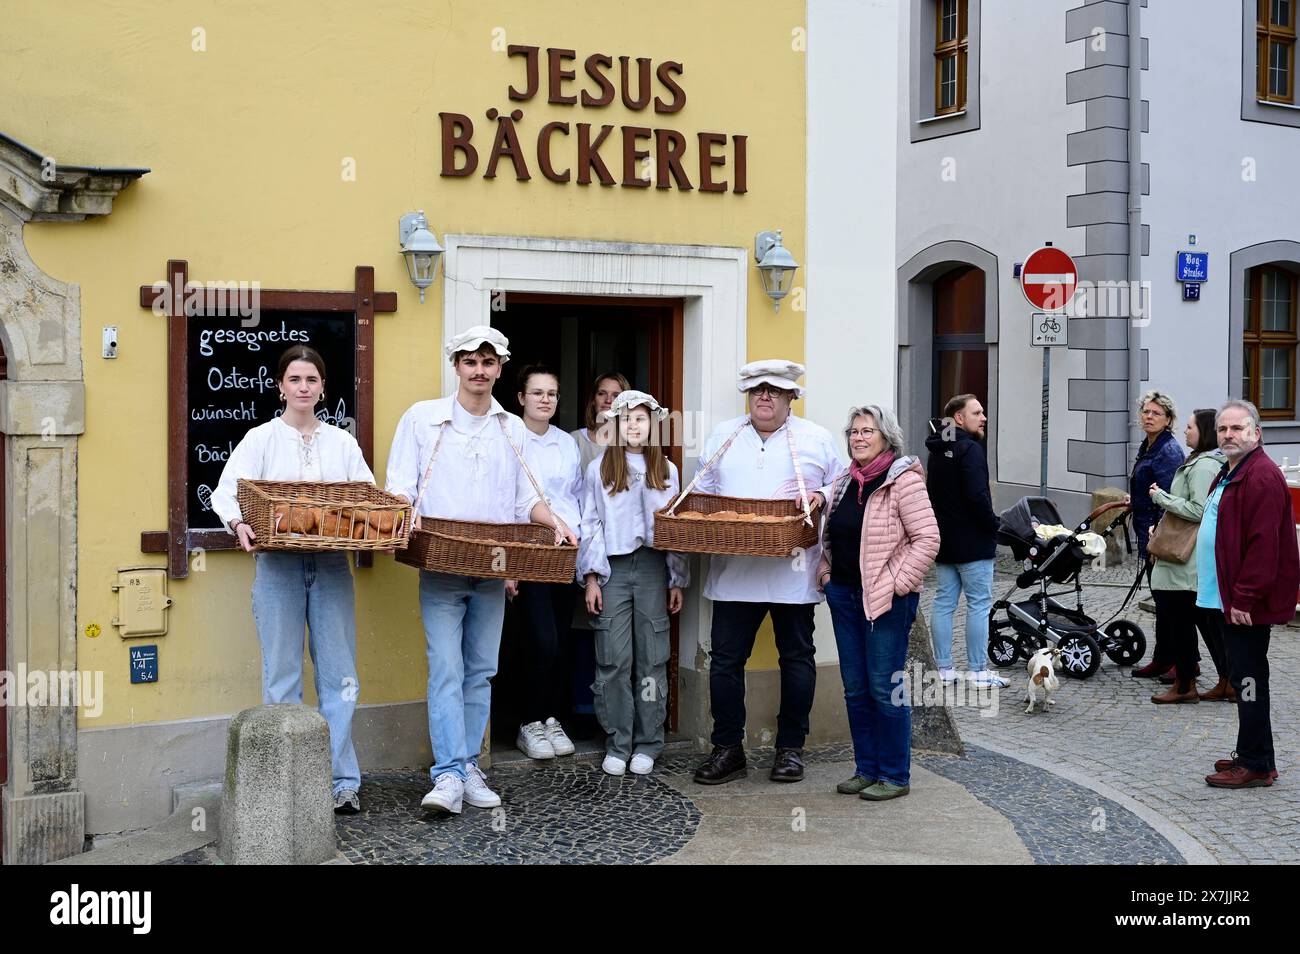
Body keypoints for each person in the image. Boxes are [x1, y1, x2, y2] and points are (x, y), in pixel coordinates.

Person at [386, 326, 576, 815]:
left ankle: (469, 766)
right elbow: (400, 486)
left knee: (481, 672)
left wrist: (552, 519)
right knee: (446, 669)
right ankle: (446, 774)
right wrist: (408, 508)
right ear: (456, 366)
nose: (479, 370)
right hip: (442, 563)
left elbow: (522, 500)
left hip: (493, 568)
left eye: (488, 363)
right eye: (470, 361)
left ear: (499, 369)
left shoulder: (510, 428)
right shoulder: (423, 419)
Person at [212, 345, 374, 815]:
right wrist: (239, 524)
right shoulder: (260, 439)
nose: (303, 387)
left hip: (330, 565)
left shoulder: (341, 443)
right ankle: (287, 781)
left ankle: (341, 780)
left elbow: (365, 494)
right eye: (295, 379)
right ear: (281, 386)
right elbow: (229, 494)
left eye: (312, 380)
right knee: (282, 675)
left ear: (323, 387)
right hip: (277, 566)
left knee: (339, 675)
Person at [691, 360, 845, 785]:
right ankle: (728, 749)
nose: (764, 396)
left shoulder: (816, 438)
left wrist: (820, 494)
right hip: (734, 570)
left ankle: (790, 749)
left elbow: (843, 486)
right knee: (725, 662)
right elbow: (700, 493)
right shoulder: (724, 435)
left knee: (796, 659)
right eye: (757, 389)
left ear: (791, 397)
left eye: (775, 390)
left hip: (794, 573)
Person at [816, 406, 940, 801]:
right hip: (845, 596)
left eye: (867, 431)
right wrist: (826, 575)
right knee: (855, 689)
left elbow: (928, 539)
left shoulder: (903, 480)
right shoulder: (842, 482)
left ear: (886, 437)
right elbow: (830, 537)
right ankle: (865, 768)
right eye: (853, 431)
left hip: (887, 601)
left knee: (886, 688)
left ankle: (894, 775)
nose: (859, 438)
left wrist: (897, 583)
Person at [578, 390, 688, 776]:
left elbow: (675, 529)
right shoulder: (601, 469)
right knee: (613, 657)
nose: (634, 425)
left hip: (654, 569)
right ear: (616, 425)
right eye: (627, 419)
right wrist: (591, 577)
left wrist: (677, 578)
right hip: (613, 569)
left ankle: (648, 742)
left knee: (652, 657)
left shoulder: (668, 470)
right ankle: (618, 741)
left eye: (642, 419)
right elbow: (590, 524)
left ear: (653, 425)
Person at [1199, 400, 1298, 788]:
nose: (1228, 435)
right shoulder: (1232, 470)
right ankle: (1254, 752)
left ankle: (1257, 764)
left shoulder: (1261, 476)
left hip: (1245, 604)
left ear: (1256, 434)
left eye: (1237, 429)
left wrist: (1245, 598)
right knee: (1244, 678)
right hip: (1226, 597)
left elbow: (1264, 546)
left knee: (1249, 679)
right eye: (1223, 429)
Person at [511, 363, 584, 760]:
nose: (544, 400)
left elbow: (574, 496)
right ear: (521, 398)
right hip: (526, 551)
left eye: (551, 394)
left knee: (560, 638)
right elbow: (508, 498)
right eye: (536, 393)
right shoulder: (510, 436)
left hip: (564, 551)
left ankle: (551, 717)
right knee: (537, 639)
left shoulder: (566, 443)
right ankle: (528, 722)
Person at [924, 394, 1008, 689]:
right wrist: (994, 526)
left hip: (945, 540)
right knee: (979, 604)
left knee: (944, 602)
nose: (983, 417)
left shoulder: (937, 449)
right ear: (959, 418)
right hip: (973, 542)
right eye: (977, 412)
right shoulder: (970, 449)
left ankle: (944, 669)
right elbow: (977, 497)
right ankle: (977, 671)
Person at [1147, 408, 1227, 704]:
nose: (1185, 431)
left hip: (1184, 562)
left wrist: (1161, 497)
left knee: (1181, 624)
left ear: (1202, 432)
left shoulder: (1204, 466)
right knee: (1195, 623)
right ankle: (1224, 681)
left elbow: (1198, 509)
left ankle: (1185, 687)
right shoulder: (1198, 462)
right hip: (1182, 561)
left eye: (1190, 427)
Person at [1129, 389, 1185, 570]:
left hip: (1157, 532)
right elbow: (1148, 482)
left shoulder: (1168, 451)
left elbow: (1171, 495)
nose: (1149, 417)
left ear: (1168, 420)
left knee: (1160, 591)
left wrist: (1160, 537)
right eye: (1146, 412)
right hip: (1145, 526)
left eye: (1156, 413)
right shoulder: (1148, 444)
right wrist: (1136, 498)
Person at [571, 371, 629, 474]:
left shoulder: (632, 441)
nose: (608, 400)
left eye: (616, 396)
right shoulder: (575, 440)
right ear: (593, 400)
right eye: (602, 393)